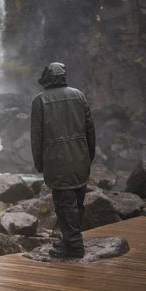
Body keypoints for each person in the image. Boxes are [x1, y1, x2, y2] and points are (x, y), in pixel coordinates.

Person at [30, 62, 95, 258]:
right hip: (80, 158)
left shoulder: (40, 101)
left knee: (64, 205)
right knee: (77, 203)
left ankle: (74, 246)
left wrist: (40, 164)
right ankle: (70, 240)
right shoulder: (79, 95)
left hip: (56, 162)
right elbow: (90, 129)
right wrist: (88, 156)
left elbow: (37, 137)